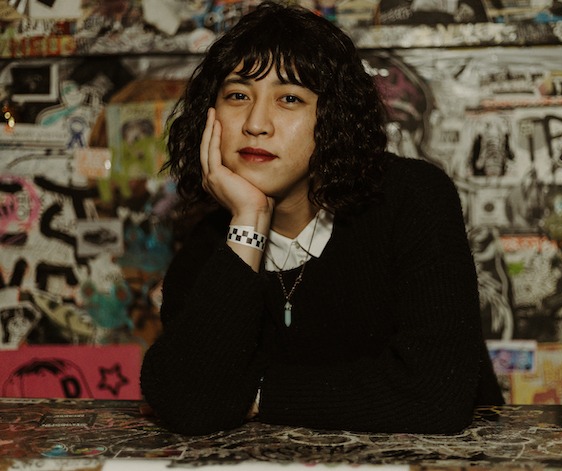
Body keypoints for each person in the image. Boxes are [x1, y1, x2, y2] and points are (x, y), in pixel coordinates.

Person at [140, 1, 503, 436]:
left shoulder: (411, 198)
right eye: (238, 95)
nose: (256, 124)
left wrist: (255, 395)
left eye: (289, 98)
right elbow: (188, 401)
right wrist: (250, 222)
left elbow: (434, 396)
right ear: (210, 118)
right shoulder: (212, 247)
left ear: (332, 117)